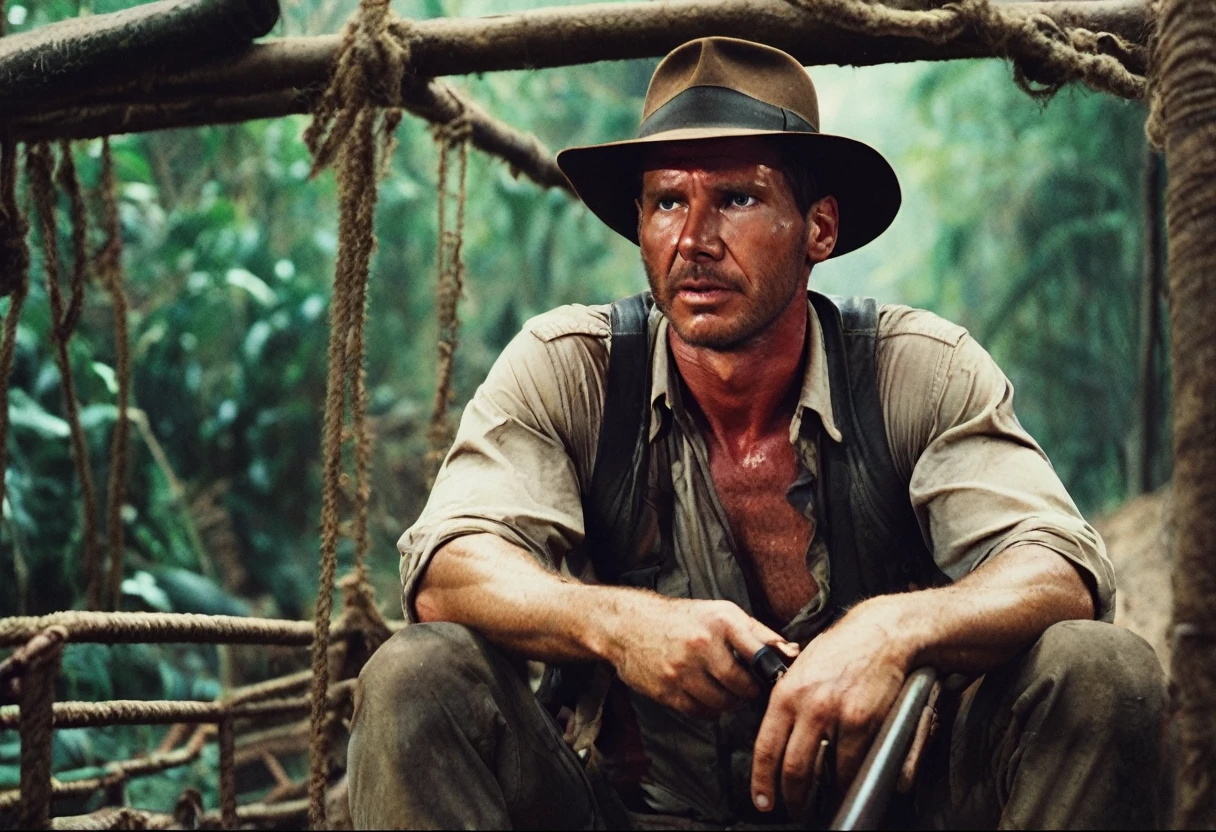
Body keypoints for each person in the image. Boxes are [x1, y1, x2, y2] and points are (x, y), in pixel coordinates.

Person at [347, 37, 1167, 830]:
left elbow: (1060, 567)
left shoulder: (917, 370)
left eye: (736, 198)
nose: (694, 240)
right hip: (635, 815)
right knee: (416, 675)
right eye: (668, 201)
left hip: (892, 811)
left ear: (818, 229)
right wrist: (621, 625)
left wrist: (889, 633)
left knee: (1101, 672)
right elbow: (448, 569)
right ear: (640, 224)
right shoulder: (572, 368)